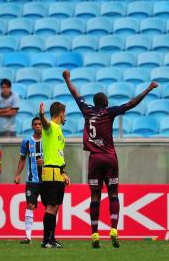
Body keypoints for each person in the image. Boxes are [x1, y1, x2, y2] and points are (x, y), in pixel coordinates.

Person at [63, 69, 158, 248]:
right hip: (109, 157)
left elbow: (74, 92)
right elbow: (131, 104)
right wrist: (148, 89)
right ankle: (114, 229)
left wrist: (67, 79)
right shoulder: (109, 112)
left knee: (95, 196)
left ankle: (94, 233)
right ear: (105, 102)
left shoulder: (86, 109)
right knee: (113, 193)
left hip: (94, 159)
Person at [39, 101, 70, 249]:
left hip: (58, 172)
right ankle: (45, 240)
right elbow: (44, 124)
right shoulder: (50, 127)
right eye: (65, 114)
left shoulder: (59, 131)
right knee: (51, 207)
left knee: (56, 207)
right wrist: (41, 114)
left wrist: (63, 172)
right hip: (50, 172)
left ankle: (52, 238)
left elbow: (59, 154)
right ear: (61, 113)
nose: (66, 117)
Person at [14, 117, 44, 244]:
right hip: (32, 181)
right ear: (32, 126)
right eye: (35, 124)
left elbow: (56, 156)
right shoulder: (26, 141)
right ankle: (28, 236)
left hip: (47, 180)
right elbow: (22, 159)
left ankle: (49, 236)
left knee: (50, 207)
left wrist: (45, 161)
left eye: (39, 124)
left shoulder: (48, 140)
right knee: (30, 205)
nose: (37, 126)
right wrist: (17, 174)